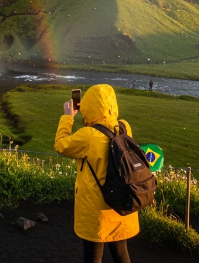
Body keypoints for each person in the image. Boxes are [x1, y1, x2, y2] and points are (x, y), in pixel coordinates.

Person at [54, 84, 137, 263]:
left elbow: (61, 145)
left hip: (96, 209)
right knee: (121, 253)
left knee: (93, 256)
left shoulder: (88, 136)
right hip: (121, 203)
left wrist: (68, 117)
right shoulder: (124, 127)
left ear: (88, 107)